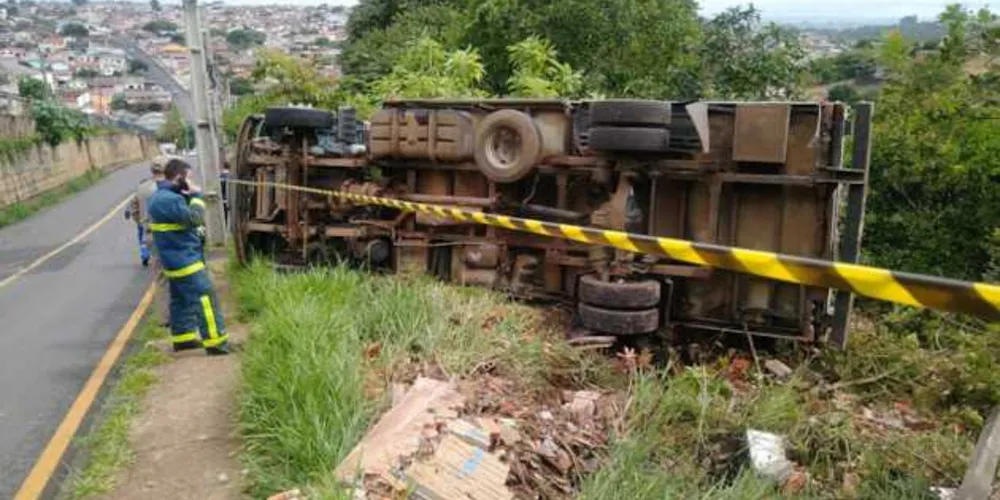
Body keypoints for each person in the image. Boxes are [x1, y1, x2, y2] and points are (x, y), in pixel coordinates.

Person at [148, 158, 230, 355]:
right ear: (179, 178)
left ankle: (183, 338)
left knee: (180, 300)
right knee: (205, 298)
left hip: (175, 261)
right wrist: (197, 196)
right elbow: (195, 218)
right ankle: (216, 343)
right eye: (189, 178)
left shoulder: (162, 197)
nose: (191, 182)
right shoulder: (169, 200)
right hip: (184, 260)